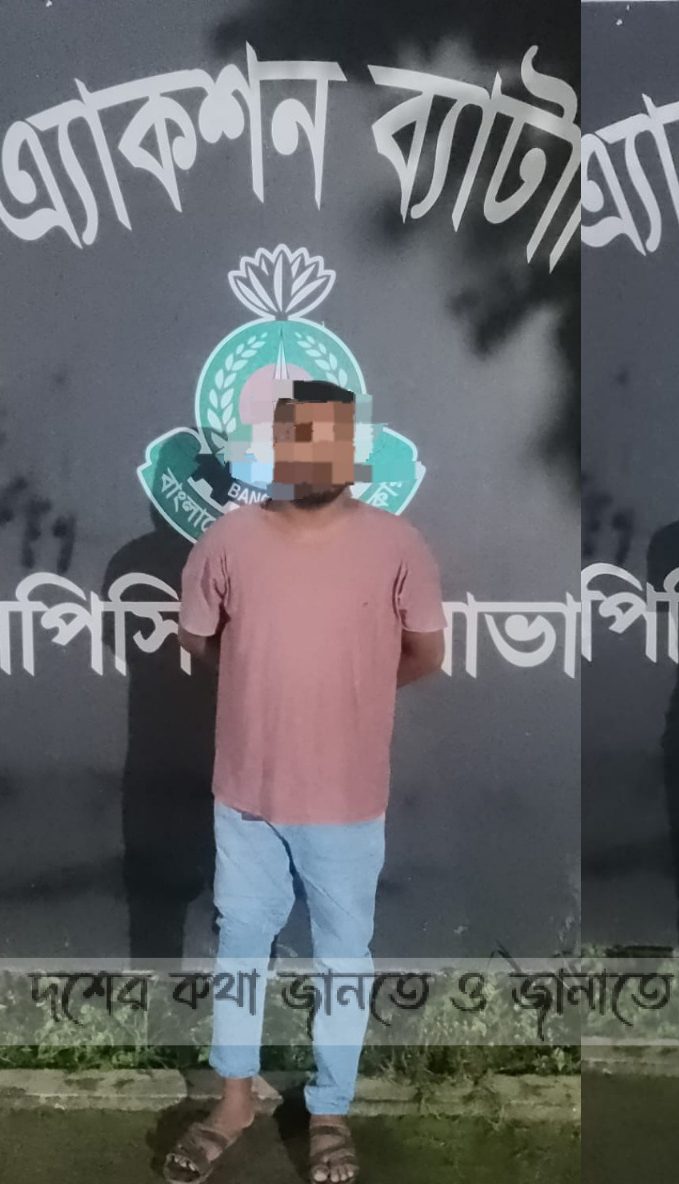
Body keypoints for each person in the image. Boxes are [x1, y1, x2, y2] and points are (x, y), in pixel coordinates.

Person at [164, 381, 446, 1184]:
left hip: (346, 800)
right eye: (303, 437)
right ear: (279, 449)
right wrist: (261, 682)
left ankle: (329, 1111)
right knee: (241, 943)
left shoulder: (399, 544)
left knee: (343, 956)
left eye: (335, 438)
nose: (319, 453)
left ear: (354, 450)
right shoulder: (227, 539)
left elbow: (425, 654)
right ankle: (234, 1102)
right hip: (246, 794)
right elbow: (199, 638)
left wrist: (351, 693)